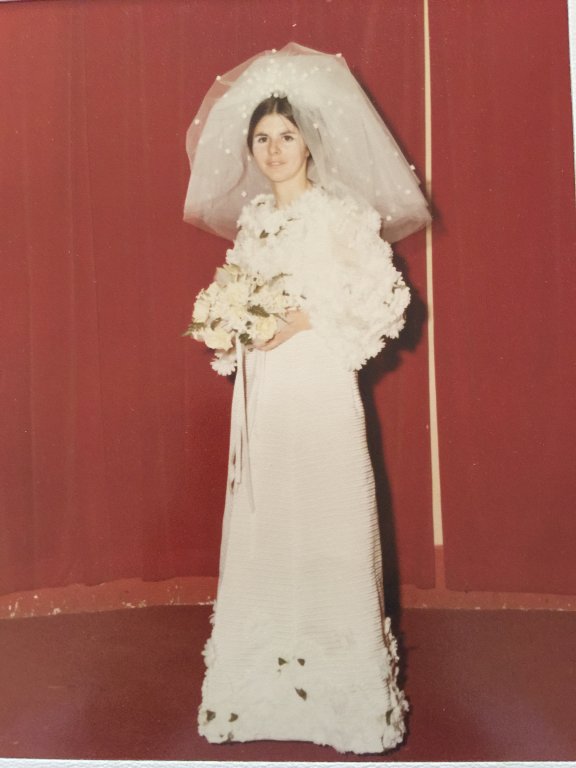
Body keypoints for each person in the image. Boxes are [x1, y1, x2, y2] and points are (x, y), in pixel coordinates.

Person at [183, 43, 430, 754]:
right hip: (265, 394)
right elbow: (239, 299)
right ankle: (259, 692)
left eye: (285, 136)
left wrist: (302, 321)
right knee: (270, 522)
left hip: (318, 384)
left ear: (309, 143)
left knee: (325, 518)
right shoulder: (254, 222)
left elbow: (385, 300)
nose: (273, 149)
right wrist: (229, 326)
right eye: (262, 138)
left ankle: (342, 698)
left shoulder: (339, 217)